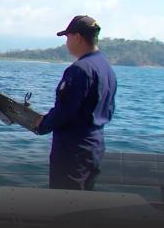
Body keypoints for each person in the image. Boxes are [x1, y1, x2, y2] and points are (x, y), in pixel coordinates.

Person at [35, 15, 117, 190]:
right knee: (84, 200)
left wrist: (42, 124)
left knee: (66, 203)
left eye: (68, 37)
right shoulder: (106, 68)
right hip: (94, 146)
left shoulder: (79, 70)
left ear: (77, 37)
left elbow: (65, 111)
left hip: (73, 150)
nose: (66, 42)